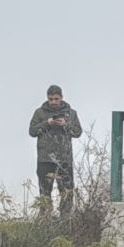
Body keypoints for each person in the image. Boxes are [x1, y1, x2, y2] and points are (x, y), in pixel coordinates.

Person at [29, 83, 82, 214]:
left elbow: (78, 132)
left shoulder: (71, 113)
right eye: (51, 99)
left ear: (62, 97)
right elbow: (32, 131)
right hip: (45, 160)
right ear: (47, 98)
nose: (53, 102)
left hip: (64, 160)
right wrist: (47, 123)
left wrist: (65, 125)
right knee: (44, 194)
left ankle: (65, 221)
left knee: (67, 193)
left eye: (56, 99)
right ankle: (45, 221)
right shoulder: (40, 113)